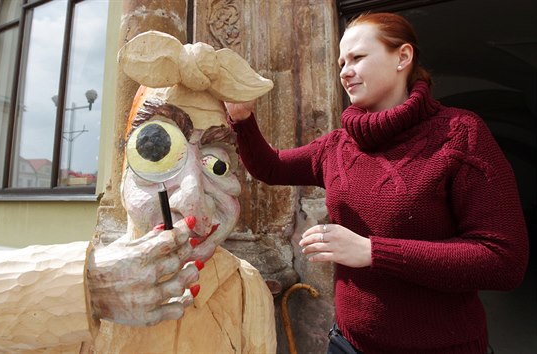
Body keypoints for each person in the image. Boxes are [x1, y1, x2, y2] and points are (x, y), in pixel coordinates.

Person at [0, 31, 276, 354]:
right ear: (123, 173)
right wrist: (84, 288)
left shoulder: (245, 290)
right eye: (156, 148)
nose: (193, 199)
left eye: (218, 164)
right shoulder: (61, 309)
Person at [225, 12, 529, 354]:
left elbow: (504, 261)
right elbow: (271, 167)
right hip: (347, 344)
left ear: (403, 57)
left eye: (357, 57)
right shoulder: (337, 145)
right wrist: (242, 117)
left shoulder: (460, 134)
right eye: (341, 62)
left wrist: (372, 252)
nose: (344, 70)